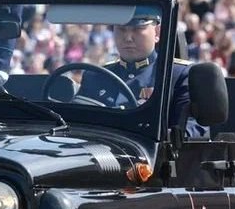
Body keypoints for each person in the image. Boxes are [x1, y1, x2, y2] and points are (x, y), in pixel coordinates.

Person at [78, 9, 207, 137]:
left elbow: (192, 127)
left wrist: (165, 137)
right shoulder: (96, 76)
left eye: (137, 29)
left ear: (157, 32)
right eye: (121, 29)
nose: (128, 38)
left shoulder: (177, 75)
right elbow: (77, 123)